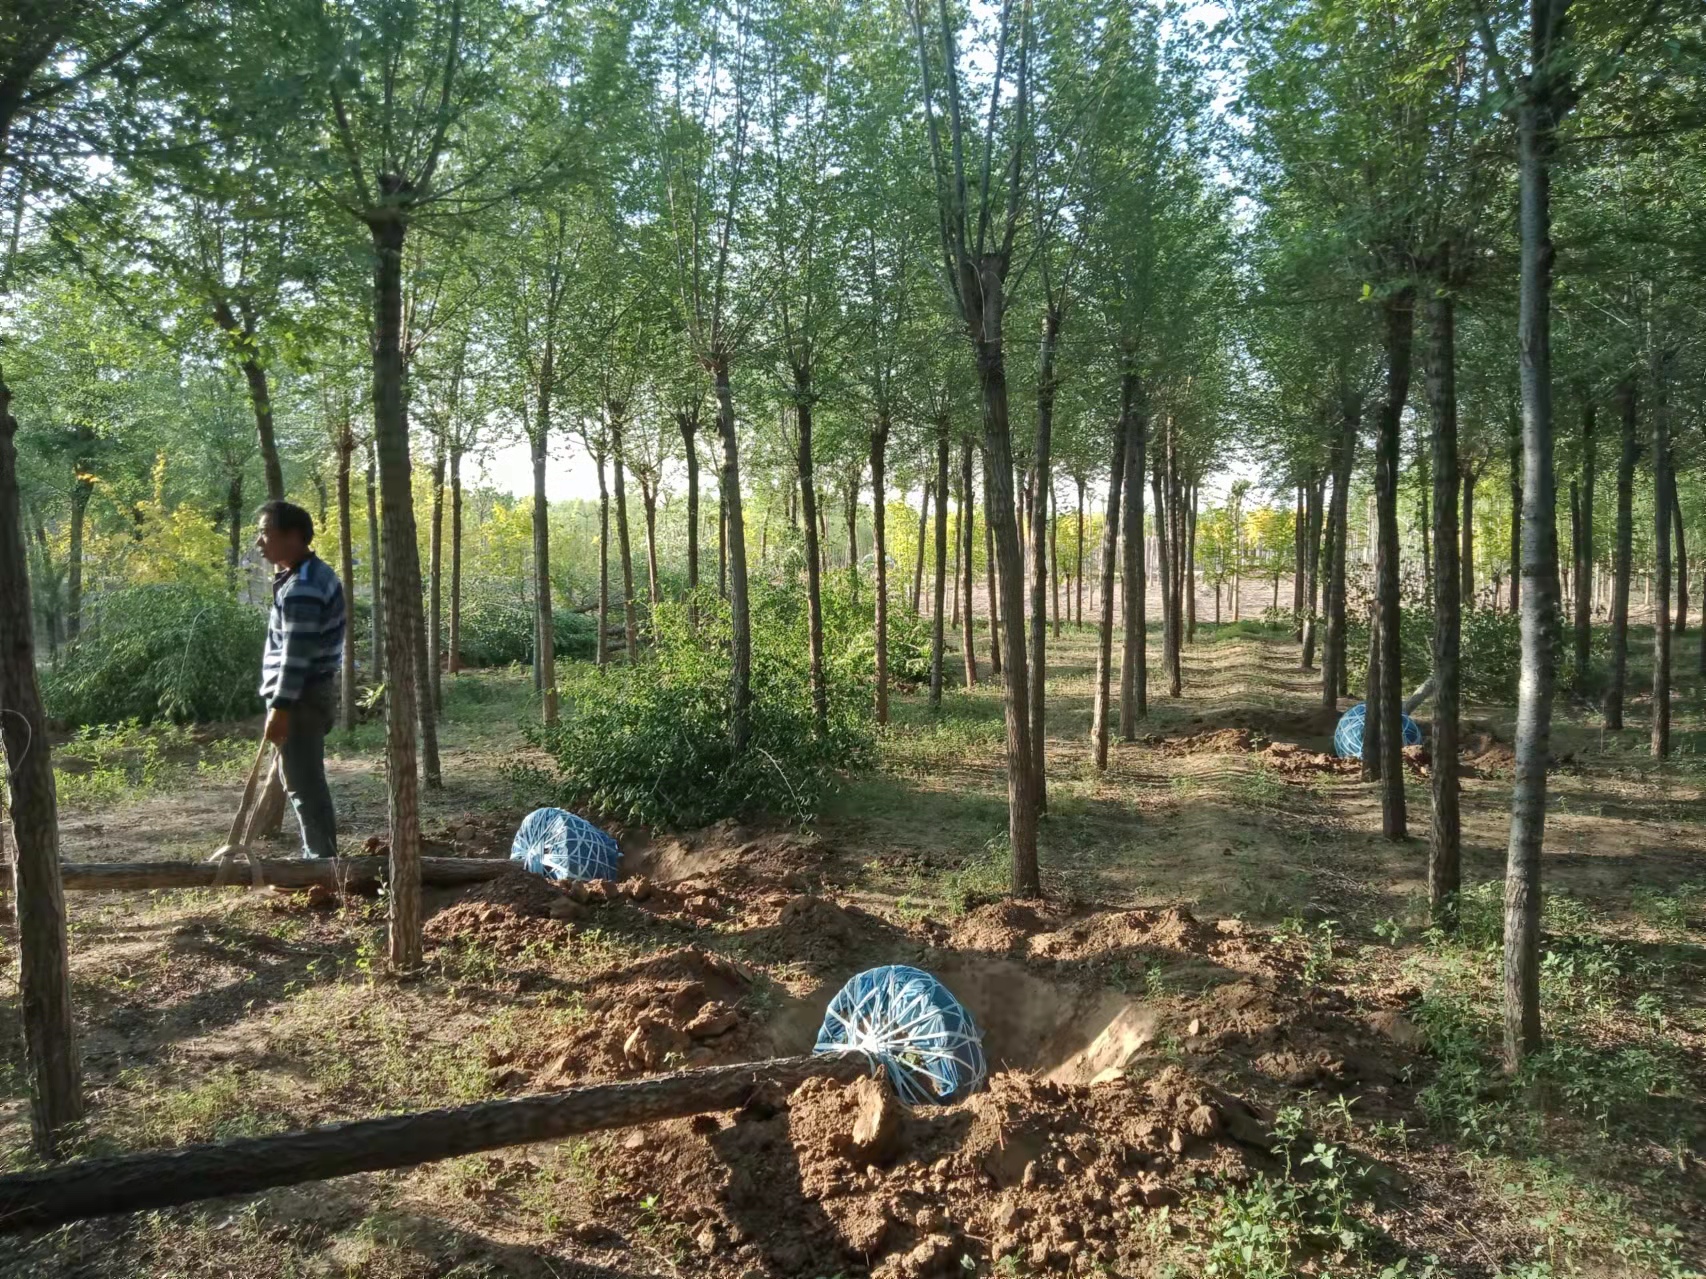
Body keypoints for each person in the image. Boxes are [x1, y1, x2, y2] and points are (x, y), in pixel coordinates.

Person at [254, 500, 346, 859]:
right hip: (307, 696)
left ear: (292, 536)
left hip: (301, 699)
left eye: (265, 533)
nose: (259, 542)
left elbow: (296, 656)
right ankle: (321, 861)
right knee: (303, 781)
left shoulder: (303, 587)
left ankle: (322, 865)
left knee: (304, 786)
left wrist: (280, 708)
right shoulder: (308, 576)